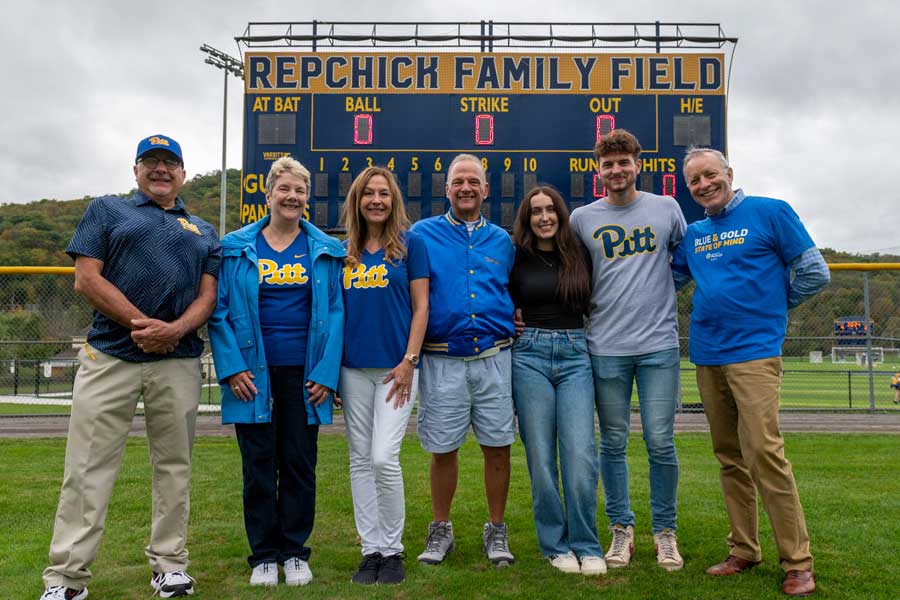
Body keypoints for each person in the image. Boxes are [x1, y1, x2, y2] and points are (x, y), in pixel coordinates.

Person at [41, 134, 221, 600]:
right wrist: (147, 326)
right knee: (86, 468)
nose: (161, 170)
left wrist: (173, 331)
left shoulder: (202, 229)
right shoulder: (107, 209)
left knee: (174, 468)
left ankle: (170, 565)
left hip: (177, 360)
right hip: (112, 356)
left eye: (170, 163)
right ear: (136, 169)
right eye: (152, 162)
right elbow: (86, 277)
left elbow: (208, 296)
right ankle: (67, 578)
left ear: (183, 173)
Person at [671, 147, 830, 597]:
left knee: (764, 452)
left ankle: (797, 562)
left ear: (728, 173)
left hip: (755, 353)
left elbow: (815, 273)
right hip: (706, 352)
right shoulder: (695, 233)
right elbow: (668, 279)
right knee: (728, 456)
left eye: (709, 175)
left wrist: (771, 310)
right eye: (694, 181)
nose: (703, 185)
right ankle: (743, 548)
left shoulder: (771, 212)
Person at [207, 156, 345, 588]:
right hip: (253, 375)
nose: (292, 197)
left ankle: (294, 551)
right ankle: (264, 555)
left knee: (301, 463)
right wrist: (232, 369)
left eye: (300, 190)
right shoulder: (237, 247)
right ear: (267, 195)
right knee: (259, 466)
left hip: (305, 375)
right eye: (284, 189)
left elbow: (337, 312)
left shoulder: (324, 248)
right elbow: (220, 313)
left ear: (307, 197)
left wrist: (327, 373)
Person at [569, 129, 687, 571]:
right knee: (613, 443)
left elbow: (684, 260)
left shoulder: (666, 208)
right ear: (597, 170)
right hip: (606, 345)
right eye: (608, 164)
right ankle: (622, 528)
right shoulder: (583, 218)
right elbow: (573, 273)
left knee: (661, 442)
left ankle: (665, 531)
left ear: (638, 164)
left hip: (658, 345)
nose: (616, 170)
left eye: (623, 162)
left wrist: (663, 291)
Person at [410, 154, 517, 567]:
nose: (466, 188)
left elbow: (511, 290)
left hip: (493, 357)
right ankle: (441, 529)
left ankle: (496, 529)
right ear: (447, 188)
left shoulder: (502, 241)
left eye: (474, 181)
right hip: (442, 360)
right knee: (443, 448)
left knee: (498, 447)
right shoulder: (421, 235)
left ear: (486, 189)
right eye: (459, 182)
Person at [338, 167, 429, 585]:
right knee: (359, 460)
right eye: (368, 194)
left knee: (383, 458)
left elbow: (421, 307)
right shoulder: (344, 252)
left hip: (396, 371)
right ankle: (369, 549)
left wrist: (410, 360)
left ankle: (392, 549)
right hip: (353, 371)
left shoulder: (412, 247)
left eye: (384, 194)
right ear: (357, 201)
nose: (376, 200)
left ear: (394, 201)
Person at [509, 186, 605, 575]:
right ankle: (555, 545)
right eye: (536, 211)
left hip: (575, 355)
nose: (544, 217)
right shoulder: (515, 256)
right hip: (528, 355)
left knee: (581, 455)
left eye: (551, 210)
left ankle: (587, 544)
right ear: (527, 218)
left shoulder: (580, 254)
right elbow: (495, 295)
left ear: (561, 215)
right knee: (542, 458)